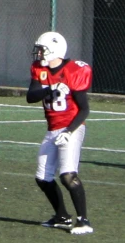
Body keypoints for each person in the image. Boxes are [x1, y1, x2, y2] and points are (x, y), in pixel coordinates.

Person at [27, 31, 93, 235]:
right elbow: (31, 96)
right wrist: (50, 88)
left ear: (54, 50)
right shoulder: (40, 69)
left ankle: (84, 221)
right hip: (52, 129)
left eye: (42, 49)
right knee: (43, 177)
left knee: (67, 175)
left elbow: (84, 109)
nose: (38, 53)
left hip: (71, 127)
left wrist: (70, 131)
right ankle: (62, 216)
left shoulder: (74, 71)